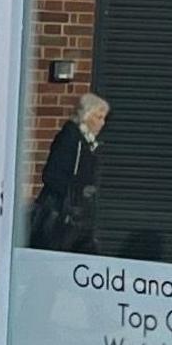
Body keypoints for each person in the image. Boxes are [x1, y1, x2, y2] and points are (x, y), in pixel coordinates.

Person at [28, 90, 106, 253]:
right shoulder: (71, 137)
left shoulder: (88, 143)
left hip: (77, 216)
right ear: (86, 115)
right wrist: (76, 193)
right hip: (62, 213)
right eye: (98, 117)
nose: (102, 123)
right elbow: (51, 174)